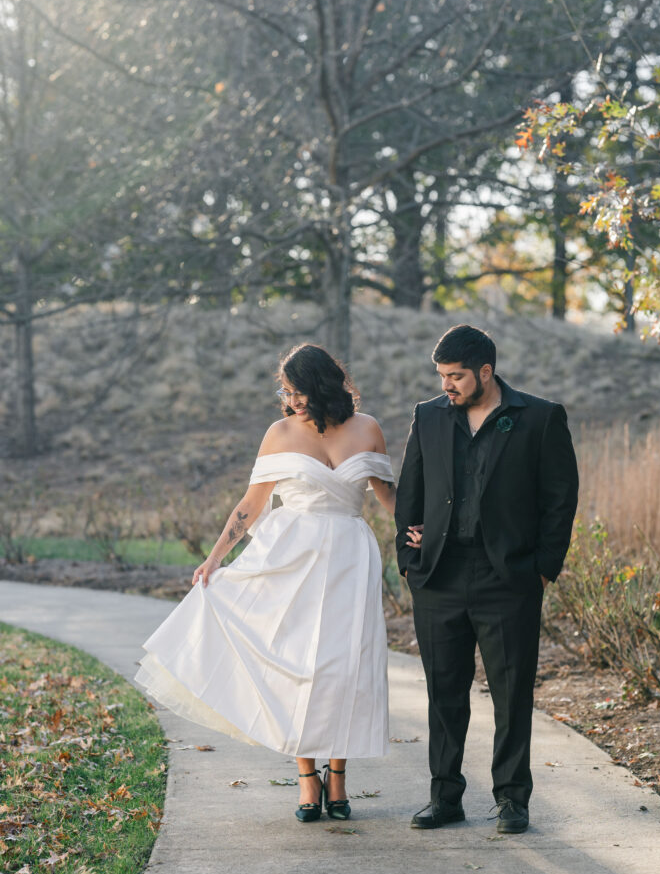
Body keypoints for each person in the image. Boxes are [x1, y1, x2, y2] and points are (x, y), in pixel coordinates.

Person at [136, 343, 396, 823]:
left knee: (346, 665)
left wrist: (416, 530)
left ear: (323, 386)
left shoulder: (368, 429)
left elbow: (386, 494)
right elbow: (251, 504)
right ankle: (306, 776)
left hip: (351, 557)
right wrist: (214, 559)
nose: (291, 401)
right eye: (286, 392)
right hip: (290, 559)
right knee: (297, 664)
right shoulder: (279, 434)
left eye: (299, 392)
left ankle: (338, 775)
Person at [395, 324, 578, 833]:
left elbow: (560, 499)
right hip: (439, 576)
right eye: (441, 375)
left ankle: (512, 800)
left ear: (486, 371)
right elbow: (411, 490)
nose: (446, 385)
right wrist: (409, 560)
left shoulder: (540, 417)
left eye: (456, 376)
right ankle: (445, 797)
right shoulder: (428, 415)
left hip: (509, 577)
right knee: (444, 693)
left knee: (511, 693)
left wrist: (543, 569)